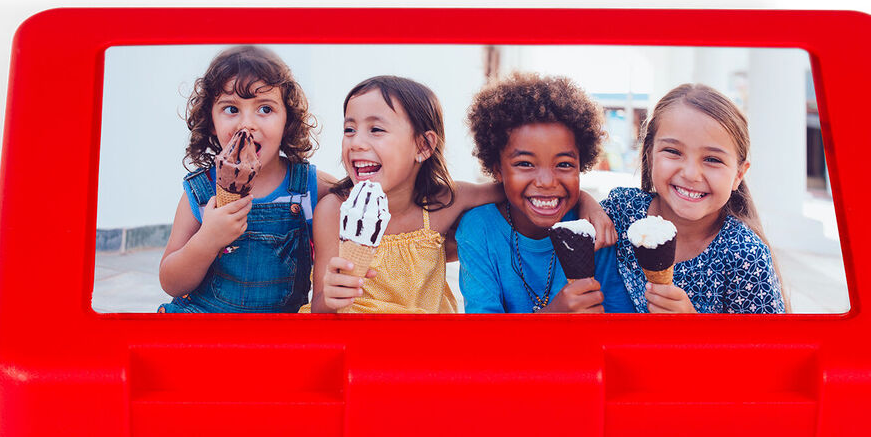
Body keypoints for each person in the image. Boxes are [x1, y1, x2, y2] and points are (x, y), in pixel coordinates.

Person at [304, 75, 616, 314]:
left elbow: (518, 188)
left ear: (424, 146)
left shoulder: (443, 203)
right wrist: (330, 298)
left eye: (375, 129)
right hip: (360, 350)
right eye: (349, 129)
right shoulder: (334, 210)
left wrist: (588, 203)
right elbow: (320, 309)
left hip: (430, 350)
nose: (357, 142)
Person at [157, 45, 336, 313]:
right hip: (205, 322)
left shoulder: (309, 188)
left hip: (276, 334)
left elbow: (361, 196)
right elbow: (171, 283)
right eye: (231, 109)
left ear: (287, 120)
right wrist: (207, 239)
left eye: (265, 109)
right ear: (211, 120)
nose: (246, 124)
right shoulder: (202, 191)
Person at [455, 72, 633, 313]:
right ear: (497, 169)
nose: (547, 182)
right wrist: (552, 318)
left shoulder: (594, 228)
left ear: (582, 166)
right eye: (525, 164)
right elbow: (484, 341)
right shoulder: (479, 229)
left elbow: (619, 320)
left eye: (564, 165)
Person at [602, 83, 787, 314]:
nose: (690, 173)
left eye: (712, 159)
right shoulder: (621, 211)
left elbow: (766, 348)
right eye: (673, 151)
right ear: (649, 155)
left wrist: (693, 327)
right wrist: (583, 202)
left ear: (739, 174)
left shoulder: (745, 255)